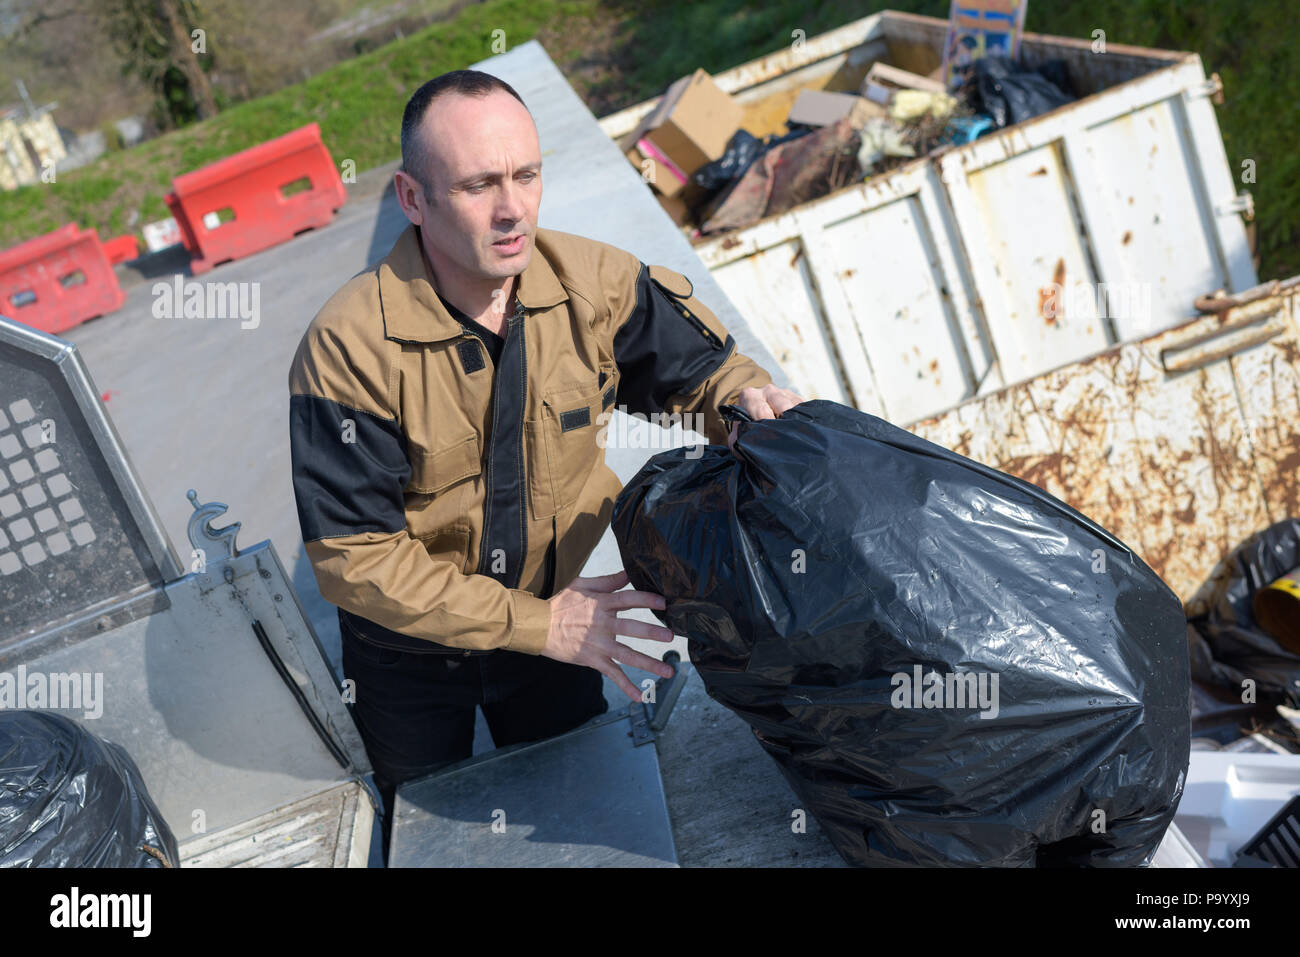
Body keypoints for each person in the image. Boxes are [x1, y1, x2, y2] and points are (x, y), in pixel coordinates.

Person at [287, 69, 804, 859]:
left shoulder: (590, 284)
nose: (513, 208)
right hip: (411, 654)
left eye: (527, 174)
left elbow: (699, 376)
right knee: (430, 829)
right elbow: (357, 560)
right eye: (478, 184)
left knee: (580, 808)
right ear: (413, 198)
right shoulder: (349, 348)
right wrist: (543, 624)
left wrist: (747, 409)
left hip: (552, 624)